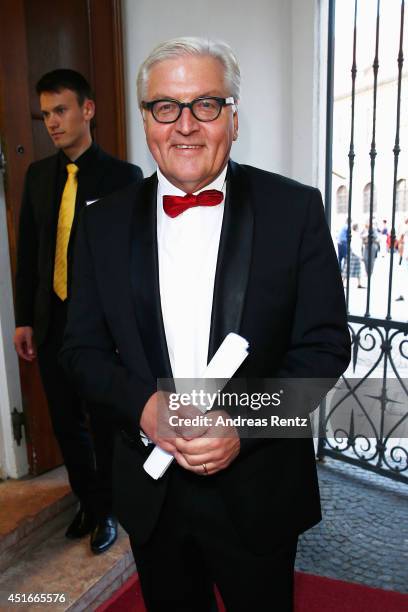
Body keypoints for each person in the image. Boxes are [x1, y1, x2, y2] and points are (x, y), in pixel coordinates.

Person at [60, 38, 350, 611]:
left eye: (206, 105)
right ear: (146, 121)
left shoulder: (295, 210)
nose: (185, 125)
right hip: (151, 489)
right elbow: (80, 352)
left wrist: (241, 425)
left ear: (234, 118)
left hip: (259, 485)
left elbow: (325, 349)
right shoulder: (101, 226)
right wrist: (143, 405)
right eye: (165, 106)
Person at [13, 69, 143, 554]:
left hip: (100, 329)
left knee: (105, 422)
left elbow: (132, 261)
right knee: (66, 421)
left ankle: (108, 509)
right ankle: (85, 501)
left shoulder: (123, 178)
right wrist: (24, 318)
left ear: (87, 110)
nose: (52, 122)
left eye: (61, 110)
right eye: (45, 114)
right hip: (51, 324)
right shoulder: (39, 176)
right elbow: (29, 251)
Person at [343, 223, 364, 288]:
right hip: (355, 253)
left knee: (349, 268)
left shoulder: (353, 234)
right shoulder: (356, 235)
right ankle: (358, 283)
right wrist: (360, 255)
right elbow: (356, 246)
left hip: (353, 253)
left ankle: (359, 283)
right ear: (356, 228)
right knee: (352, 268)